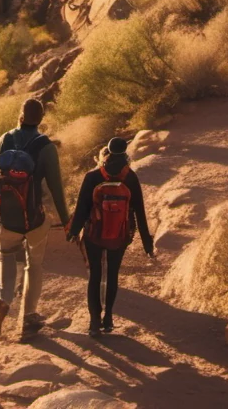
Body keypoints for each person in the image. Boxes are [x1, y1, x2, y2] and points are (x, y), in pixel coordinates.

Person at [0, 98, 70, 340]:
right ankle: (29, 316)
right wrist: (67, 220)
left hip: (5, 218)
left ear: (20, 115)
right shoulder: (46, 147)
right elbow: (56, 190)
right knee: (34, 264)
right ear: (41, 118)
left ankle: (4, 299)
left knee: (7, 258)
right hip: (33, 220)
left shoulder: (5, 138)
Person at [66, 137, 155, 337]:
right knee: (112, 274)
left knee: (95, 276)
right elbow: (140, 212)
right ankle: (108, 318)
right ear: (125, 155)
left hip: (93, 235)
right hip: (121, 235)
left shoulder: (93, 176)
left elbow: (81, 209)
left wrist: (73, 231)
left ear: (106, 153)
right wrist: (147, 244)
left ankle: (94, 322)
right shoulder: (130, 178)